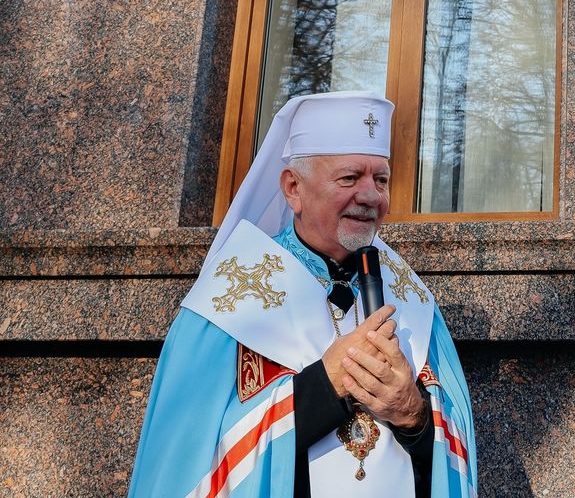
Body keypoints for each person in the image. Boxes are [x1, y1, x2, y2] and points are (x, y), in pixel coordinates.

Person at [129, 92, 476, 498]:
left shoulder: (413, 300)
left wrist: (413, 414)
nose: (370, 196)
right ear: (293, 188)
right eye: (350, 178)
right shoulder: (228, 299)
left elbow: (452, 451)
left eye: (380, 180)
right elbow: (185, 464)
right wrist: (325, 385)